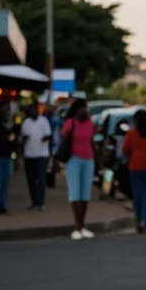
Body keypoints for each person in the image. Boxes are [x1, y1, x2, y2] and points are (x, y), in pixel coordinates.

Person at [61, 98, 97, 240]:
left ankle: (83, 225)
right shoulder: (70, 123)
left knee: (85, 194)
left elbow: (92, 141)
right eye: (82, 108)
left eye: (86, 108)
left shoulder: (90, 123)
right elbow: (64, 138)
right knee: (75, 193)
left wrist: (96, 160)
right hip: (73, 160)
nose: (85, 111)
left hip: (88, 160)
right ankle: (77, 226)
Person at [20, 103, 51, 210]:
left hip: (41, 155)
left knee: (41, 179)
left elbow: (48, 135)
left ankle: (41, 202)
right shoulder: (26, 123)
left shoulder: (44, 121)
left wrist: (44, 139)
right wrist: (24, 139)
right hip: (29, 155)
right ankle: (34, 201)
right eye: (31, 111)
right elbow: (22, 137)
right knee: (31, 180)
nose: (33, 112)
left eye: (34, 110)